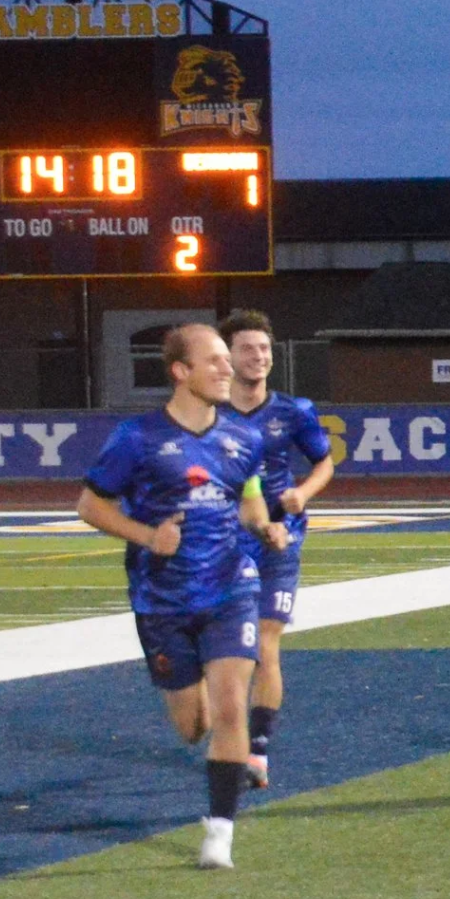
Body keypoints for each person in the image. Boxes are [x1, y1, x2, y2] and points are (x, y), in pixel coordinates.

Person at [76, 323, 290, 870]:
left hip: (231, 588)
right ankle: (206, 718)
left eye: (226, 359)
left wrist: (264, 526)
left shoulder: (244, 438)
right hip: (162, 600)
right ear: (180, 371)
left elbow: (247, 498)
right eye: (213, 360)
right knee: (192, 726)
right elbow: (90, 506)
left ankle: (220, 833)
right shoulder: (137, 438)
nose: (226, 368)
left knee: (230, 706)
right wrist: (149, 537)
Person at [217, 310, 336, 789]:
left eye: (264, 348)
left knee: (266, 644)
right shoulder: (208, 415)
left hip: (282, 538)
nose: (259, 357)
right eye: (248, 349)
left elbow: (324, 463)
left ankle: (259, 750)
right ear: (227, 356)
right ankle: (226, 729)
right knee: (229, 650)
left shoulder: (294, 411)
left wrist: (302, 494)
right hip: (226, 541)